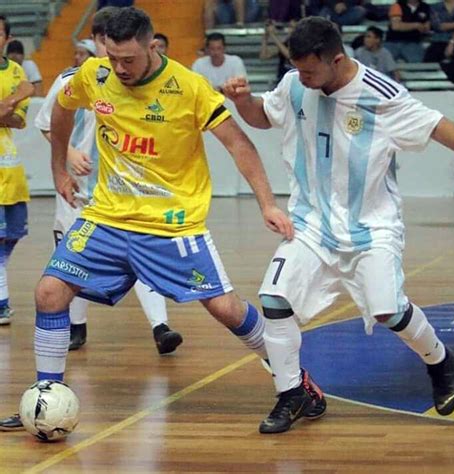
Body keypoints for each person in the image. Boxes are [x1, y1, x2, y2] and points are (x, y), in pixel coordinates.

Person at [0, 6, 326, 433]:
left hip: (173, 225)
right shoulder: (94, 75)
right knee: (49, 292)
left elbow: (239, 145)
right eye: (112, 58)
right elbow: (61, 110)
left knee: (225, 308)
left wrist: (267, 203)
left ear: (151, 45)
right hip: (107, 217)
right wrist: (59, 167)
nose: (119, 68)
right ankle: (46, 399)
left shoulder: (188, 88)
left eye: (128, 60)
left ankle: (295, 381)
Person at [223, 16, 454, 434]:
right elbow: (265, 117)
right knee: (274, 300)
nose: (300, 77)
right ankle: (292, 393)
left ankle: (439, 359)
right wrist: (244, 101)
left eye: (308, 70)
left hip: (370, 227)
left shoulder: (382, 96)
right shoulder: (294, 83)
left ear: (337, 60)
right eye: (296, 68)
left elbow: (436, 128)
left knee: (389, 310)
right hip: (310, 223)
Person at [34, 8, 183, 355]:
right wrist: (69, 154)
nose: (111, 53)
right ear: (98, 41)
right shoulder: (73, 79)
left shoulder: (144, 83)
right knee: (71, 261)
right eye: (104, 43)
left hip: (128, 194)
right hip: (80, 192)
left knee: (141, 259)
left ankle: (161, 327)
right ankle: (77, 326)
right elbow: (46, 123)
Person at [0, 15, 35, 326]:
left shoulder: (16, 71)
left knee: (12, 234)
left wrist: (9, 107)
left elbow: (18, 121)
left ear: (6, 38)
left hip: (9, 168)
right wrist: (16, 96)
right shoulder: (19, 83)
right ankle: (1, 302)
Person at [423, 0, 454, 89]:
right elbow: (437, 25)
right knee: (430, 58)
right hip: (439, 40)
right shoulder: (435, 7)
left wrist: (452, 42)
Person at [259, 20, 295, 85]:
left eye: (293, 28)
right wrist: (265, 38)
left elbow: (289, 55)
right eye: (290, 27)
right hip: (282, 79)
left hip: (295, 79)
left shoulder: (302, 44)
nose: (290, 30)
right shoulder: (285, 44)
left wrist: (272, 35)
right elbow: (264, 56)